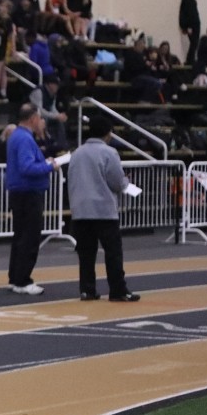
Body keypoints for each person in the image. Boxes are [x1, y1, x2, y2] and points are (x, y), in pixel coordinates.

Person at [66, 116, 141, 302]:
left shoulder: (76, 153)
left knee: (86, 254)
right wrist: (126, 182)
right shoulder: (109, 152)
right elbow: (116, 182)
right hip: (103, 210)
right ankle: (118, 290)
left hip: (81, 210)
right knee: (113, 252)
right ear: (108, 134)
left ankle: (87, 290)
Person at [6, 104, 59, 295]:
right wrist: (49, 167)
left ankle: (15, 277)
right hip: (28, 192)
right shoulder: (25, 139)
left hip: (20, 191)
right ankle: (23, 280)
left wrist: (43, 163)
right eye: (39, 118)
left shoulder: (16, 136)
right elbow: (26, 167)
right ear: (33, 118)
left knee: (20, 236)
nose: (41, 121)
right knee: (29, 237)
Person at [178, 0, 202, 65]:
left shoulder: (190, 0)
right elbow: (188, 14)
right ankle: (190, 60)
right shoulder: (188, 0)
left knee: (194, 43)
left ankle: (191, 59)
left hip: (193, 25)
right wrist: (187, 26)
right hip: (192, 26)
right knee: (194, 43)